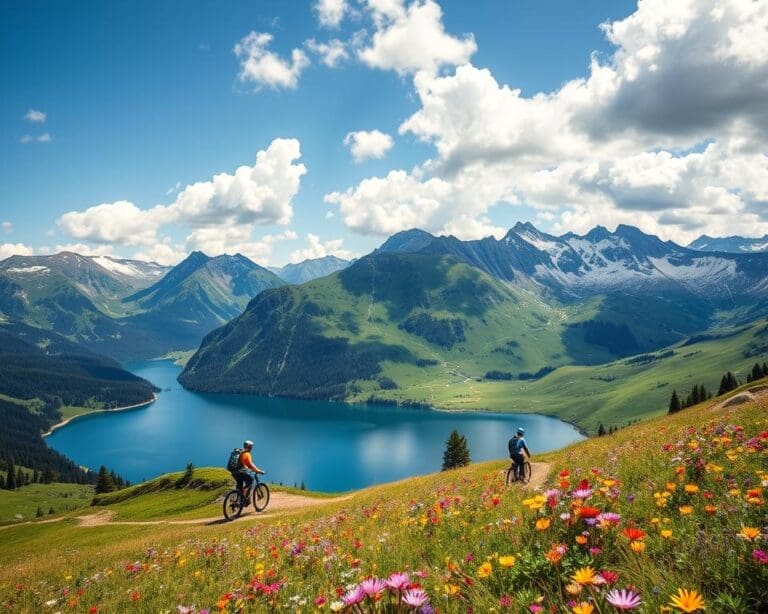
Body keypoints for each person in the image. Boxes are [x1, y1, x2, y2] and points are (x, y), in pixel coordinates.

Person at [233, 440, 264, 506]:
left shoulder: (240, 453)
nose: (252, 448)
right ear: (249, 447)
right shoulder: (247, 454)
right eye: (251, 447)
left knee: (239, 486)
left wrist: (250, 469)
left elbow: (245, 465)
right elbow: (250, 465)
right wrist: (259, 471)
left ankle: (239, 501)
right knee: (251, 480)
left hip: (234, 472)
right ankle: (245, 499)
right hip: (241, 472)